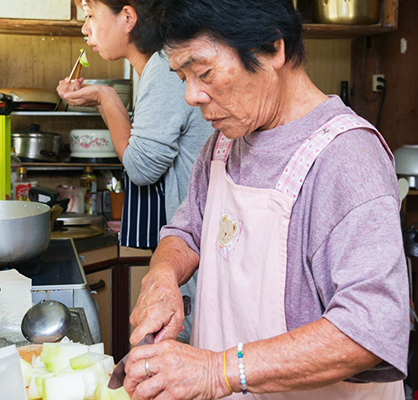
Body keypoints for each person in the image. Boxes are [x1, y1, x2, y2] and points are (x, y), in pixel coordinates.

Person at [124, 0, 410, 399]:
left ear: (273, 48)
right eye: (182, 77)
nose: (192, 95)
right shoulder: (222, 144)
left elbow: (370, 327)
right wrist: (162, 277)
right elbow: (187, 231)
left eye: (204, 72)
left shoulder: (346, 157)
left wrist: (216, 371)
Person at [56, 0, 212, 342]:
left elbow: (142, 167)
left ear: (127, 17)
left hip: (200, 240)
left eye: (90, 16)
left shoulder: (163, 70)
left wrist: (105, 99)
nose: (85, 29)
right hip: (194, 237)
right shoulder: (153, 70)